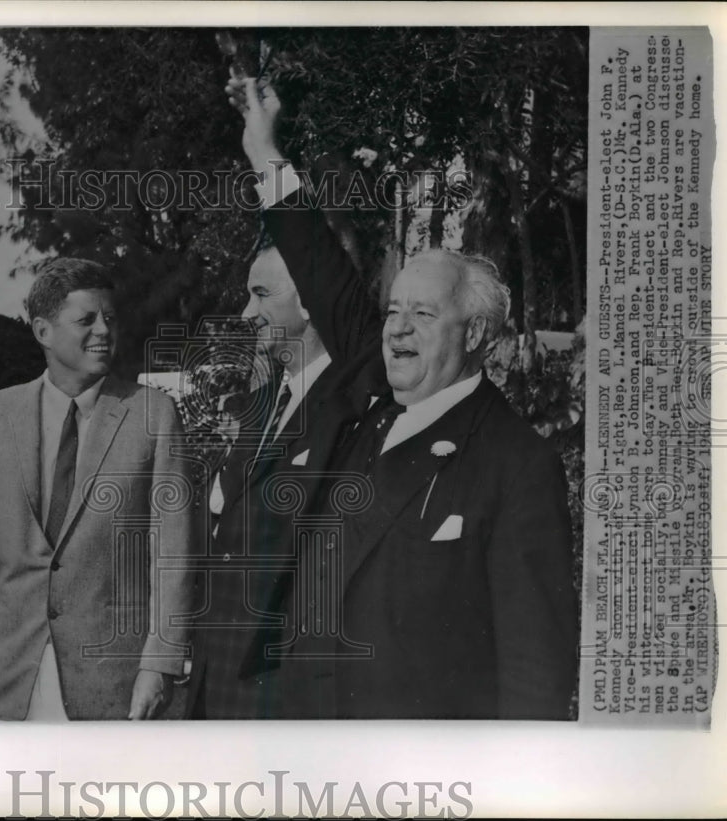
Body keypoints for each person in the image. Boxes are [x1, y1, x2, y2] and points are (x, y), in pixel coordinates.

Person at [227, 76, 578, 719]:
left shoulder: (515, 464)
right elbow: (321, 269)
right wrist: (263, 150)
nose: (397, 329)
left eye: (421, 313)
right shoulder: (372, 392)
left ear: (473, 332)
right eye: (392, 311)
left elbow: (535, 668)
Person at [0, 258, 195, 721]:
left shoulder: (153, 414)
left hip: (116, 678)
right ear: (42, 331)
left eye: (110, 318)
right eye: (86, 320)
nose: (103, 331)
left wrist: (161, 663)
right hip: (7, 678)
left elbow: (172, 555)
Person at [187, 238, 345, 719]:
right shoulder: (262, 402)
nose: (245, 312)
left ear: (310, 301)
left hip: (283, 687)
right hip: (216, 677)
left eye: (261, 294)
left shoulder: (350, 409)